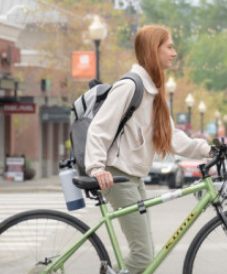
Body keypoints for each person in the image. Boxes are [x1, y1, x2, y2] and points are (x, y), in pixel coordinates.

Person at [84, 25, 217, 274]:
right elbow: (99, 129)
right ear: (152, 49)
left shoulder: (152, 91)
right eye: (169, 46)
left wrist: (208, 150)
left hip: (134, 178)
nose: (174, 53)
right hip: (117, 176)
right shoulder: (130, 86)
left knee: (146, 256)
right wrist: (96, 167)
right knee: (144, 257)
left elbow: (172, 137)